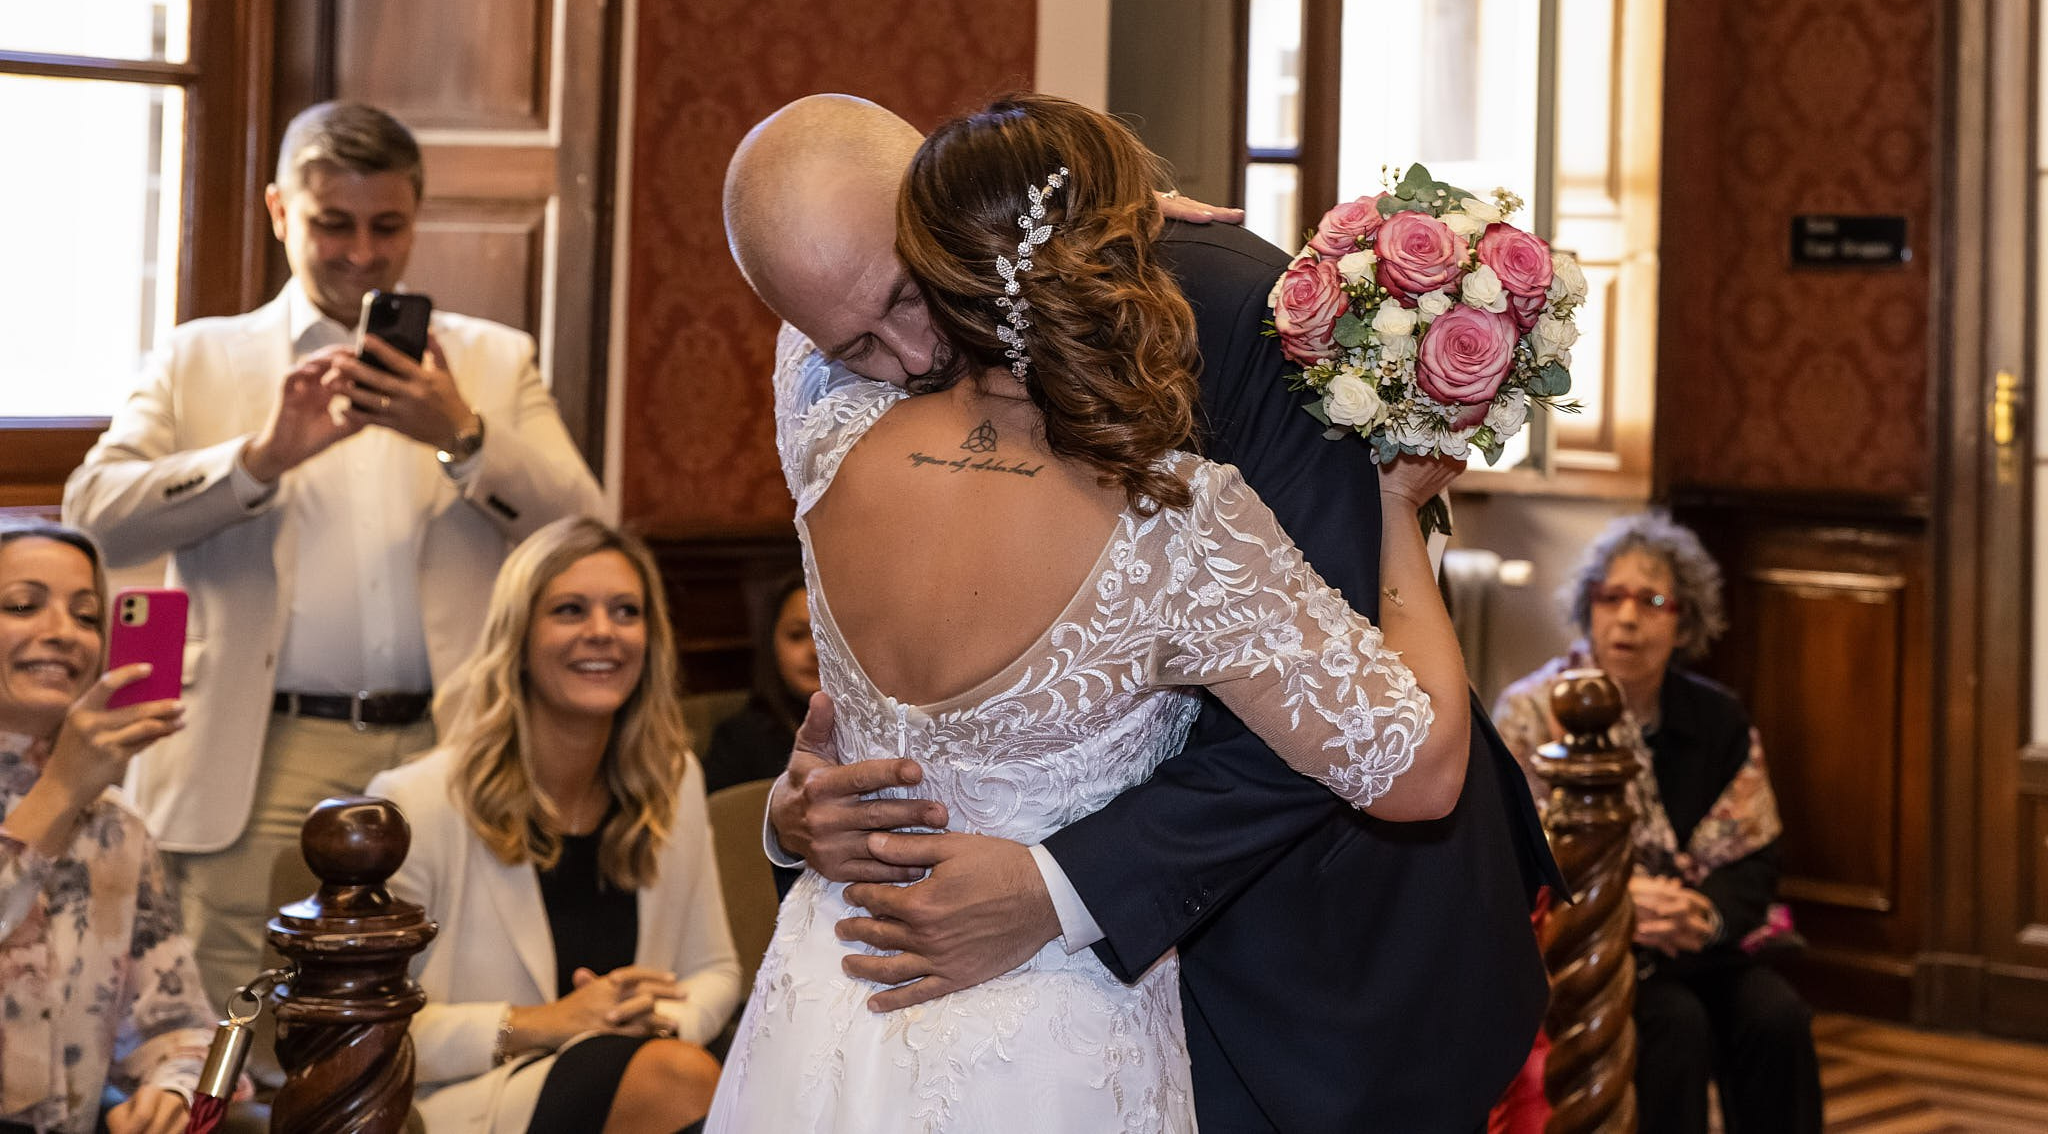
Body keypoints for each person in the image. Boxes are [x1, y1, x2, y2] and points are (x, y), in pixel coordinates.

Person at [720, 93, 1559, 1132]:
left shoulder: (1235, 313)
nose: (905, 360)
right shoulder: (1167, 511)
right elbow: (1410, 758)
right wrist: (795, 810)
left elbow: (1325, 717)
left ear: (942, 218)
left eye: (908, 293)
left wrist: (1063, 887)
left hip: (1296, 969)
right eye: (853, 343)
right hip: (980, 1001)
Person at [62, 100, 607, 1022]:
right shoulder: (200, 357)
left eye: (386, 225)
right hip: (256, 751)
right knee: (236, 1020)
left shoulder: (491, 360)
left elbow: (588, 532)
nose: (361, 252)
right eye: (333, 224)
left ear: (415, 219)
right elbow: (93, 516)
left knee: (435, 1010)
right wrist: (255, 460)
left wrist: (465, 437)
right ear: (281, 212)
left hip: (449, 741)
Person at [367, 515, 738, 1134]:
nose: (602, 632)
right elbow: (369, 1028)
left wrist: (660, 1021)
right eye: (570, 610)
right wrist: (544, 1023)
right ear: (518, 637)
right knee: (674, 1080)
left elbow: (715, 971)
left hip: (648, 1075)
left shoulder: (673, 779)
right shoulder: (415, 802)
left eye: (626, 612)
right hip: (470, 1101)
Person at [1491, 512, 1821, 1134]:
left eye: (1653, 601)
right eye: (1609, 597)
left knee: (1777, 1019)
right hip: (1587, 949)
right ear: (1588, 609)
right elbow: (1510, 856)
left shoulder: (1718, 718)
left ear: (1685, 621)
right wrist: (1620, 904)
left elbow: (1755, 858)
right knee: (1675, 1025)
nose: (1627, 618)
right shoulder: (1533, 713)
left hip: (1699, 944)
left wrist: (1704, 917)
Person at [0, 520, 233, 1134]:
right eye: (22, 605)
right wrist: (59, 793)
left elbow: (179, 1024)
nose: (64, 633)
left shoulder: (117, 832)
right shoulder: (77, 798)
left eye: (86, 616)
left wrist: (173, 1088)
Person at [702, 573, 814, 794]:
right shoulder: (738, 739)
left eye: (826, 636)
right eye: (797, 635)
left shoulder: (874, 730)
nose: (815, 651)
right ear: (771, 643)